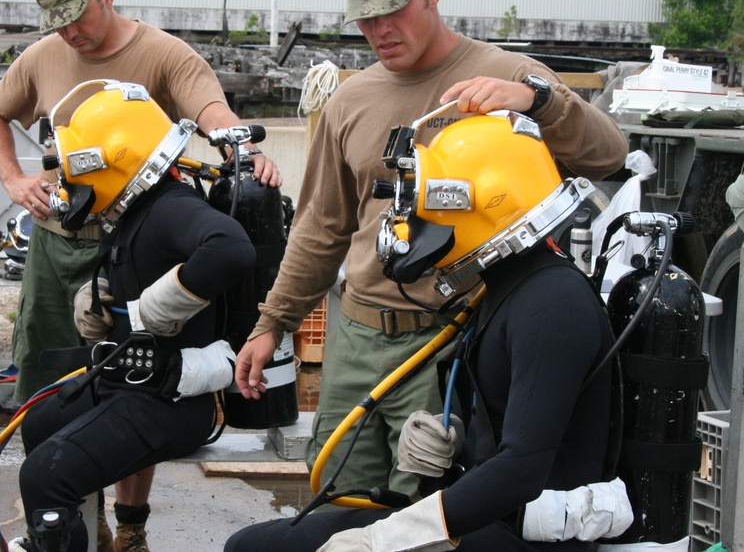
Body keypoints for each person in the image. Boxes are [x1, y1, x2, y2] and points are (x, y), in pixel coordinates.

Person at [234, 0, 628, 503]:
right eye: (365, 20)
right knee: (334, 499)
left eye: (394, 10)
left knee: (423, 514)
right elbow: (321, 227)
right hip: (357, 341)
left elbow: (608, 153)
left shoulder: (503, 76)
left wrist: (539, 101)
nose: (380, 32)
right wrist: (273, 323)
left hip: (453, 344)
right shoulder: (349, 101)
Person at [0, 0, 279, 552]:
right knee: (53, 379)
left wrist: (241, 151)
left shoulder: (164, 53)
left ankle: (130, 526)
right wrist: (13, 179)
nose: (70, 32)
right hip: (60, 244)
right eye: (56, 23)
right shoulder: (42, 57)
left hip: (140, 241)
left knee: (137, 380)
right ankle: (73, 516)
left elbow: (210, 108)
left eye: (78, 17)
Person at [227, 109, 630, 552]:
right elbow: (504, 418)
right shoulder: (502, 286)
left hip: (525, 536)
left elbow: (522, 468)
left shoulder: (551, 302)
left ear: (483, 197)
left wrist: (388, 539)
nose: (411, 218)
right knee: (252, 545)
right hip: (489, 517)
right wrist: (454, 439)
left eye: (428, 200)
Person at [11, 83, 256, 552]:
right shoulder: (132, 211)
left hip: (172, 402)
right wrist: (104, 298)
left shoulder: (171, 206)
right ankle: (83, 533)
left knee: (47, 476)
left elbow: (231, 249)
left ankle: (64, 531)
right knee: (41, 424)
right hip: (129, 381)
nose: (71, 184)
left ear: (115, 160)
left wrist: (171, 299)